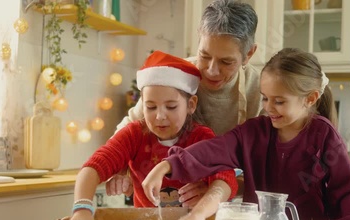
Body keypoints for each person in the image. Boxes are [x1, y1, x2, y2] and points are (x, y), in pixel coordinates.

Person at [141, 48, 350, 220]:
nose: (269, 107)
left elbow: (346, 190)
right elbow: (215, 149)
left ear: (310, 99)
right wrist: (168, 164)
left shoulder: (323, 136)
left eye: (279, 101)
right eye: (265, 98)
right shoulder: (254, 132)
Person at [67, 51, 238, 220]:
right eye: (151, 107)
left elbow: (226, 178)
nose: (159, 116)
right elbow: (93, 167)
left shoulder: (201, 138)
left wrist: (209, 194)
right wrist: (82, 208)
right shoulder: (134, 135)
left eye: (171, 107)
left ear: (191, 104)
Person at [106, 0, 262, 205]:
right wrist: (118, 169)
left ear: (248, 54)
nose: (211, 70)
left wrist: (215, 189)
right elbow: (131, 126)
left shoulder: (260, 90)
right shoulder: (175, 75)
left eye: (226, 62)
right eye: (204, 56)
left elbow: (261, 165)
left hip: (229, 202)